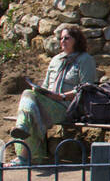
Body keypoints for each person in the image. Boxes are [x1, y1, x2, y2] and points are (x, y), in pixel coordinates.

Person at [8, 24, 97, 167]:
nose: (62, 41)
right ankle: (26, 144)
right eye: (61, 38)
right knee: (30, 100)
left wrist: (61, 96)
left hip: (67, 108)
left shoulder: (85, 60)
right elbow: (45, 85)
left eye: (67, 38)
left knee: (29, 108)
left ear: (77, 40)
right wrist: (40, 91)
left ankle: (24, 155)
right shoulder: (55, 60)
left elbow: (86, 89)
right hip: (48, 103)